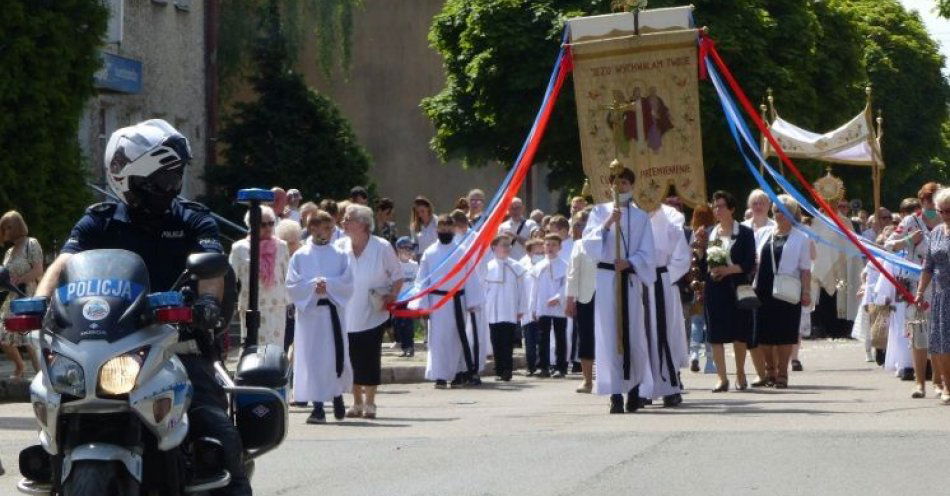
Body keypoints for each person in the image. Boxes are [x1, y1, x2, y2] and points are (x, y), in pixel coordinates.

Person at [34, 119, 250, 495]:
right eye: (164, 180)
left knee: (218, 434)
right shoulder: (98, 221)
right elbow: (64, 263)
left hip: (179, 343)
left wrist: (208, 303)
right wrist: (37, 303)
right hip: (106, 345)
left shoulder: (192, 219)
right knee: (54, 410)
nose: (173, 187)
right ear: (131, 181)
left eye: (176, 177)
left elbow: (211, 265)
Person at [582, 164, 656, 414]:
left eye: (625, 182)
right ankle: (614, 392)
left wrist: (631, 262)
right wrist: (607, 223)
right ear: (610, 184)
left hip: (629, 277)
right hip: (606, 278)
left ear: (631, 186)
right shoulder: (600, 211)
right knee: (609, 333)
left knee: (632, 332)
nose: (620, 186)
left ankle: (634, 389)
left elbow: (648, 252)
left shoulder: (640, 216)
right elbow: (588, 244)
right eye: (616, 181)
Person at [286, 211, 353, 424]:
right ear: (313, 228)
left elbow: (348, 282)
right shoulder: (300, 255)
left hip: (333, 312)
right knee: (313, 359)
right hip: (311, 315)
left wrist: (330, 285)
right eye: (325, 228)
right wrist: (313, 286)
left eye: (331, 229)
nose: (329, 233)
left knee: (334, 357)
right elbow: (292, 285)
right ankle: (317, 407)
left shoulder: (340, 254)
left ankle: (337, 396)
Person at [338, 204, 403, 419]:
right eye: (345, 219)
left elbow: (397, 275)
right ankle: (356, 402)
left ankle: (371, 402)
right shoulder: (339, 245)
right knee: (351, 359)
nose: (344, 222)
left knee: (370, 357)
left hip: (374, 312)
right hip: (346, 313)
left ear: (363, 224)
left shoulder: (381, 246)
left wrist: (392, 296)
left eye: (349, 219)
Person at [415, 214, 485, 388]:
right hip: (438, 302)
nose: (445, 231)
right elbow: (422, 280)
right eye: (442, 228)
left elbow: (470, 277)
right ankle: (439, 375)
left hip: (457, 300)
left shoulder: (461, 251)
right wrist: (422, 304)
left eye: (448, 228)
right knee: (438, 339)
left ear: (454, 229)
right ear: (437, 230)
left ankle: (457, 373)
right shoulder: (430, 253)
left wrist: (473, 301)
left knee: (456, 338)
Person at [698, 190, 756, 392]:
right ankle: (721, 378)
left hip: (737, 287)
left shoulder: (745, 233)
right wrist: (700, 250)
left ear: (731, 209)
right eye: (715, 206)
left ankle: (740, 372)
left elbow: (749, 262)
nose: (717, 210)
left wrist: (728, 270)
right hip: (715, 288)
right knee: (715, 334)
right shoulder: (711, 232)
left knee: (739, 333)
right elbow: (706, 261)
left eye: (721, 206)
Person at [753, 195, 812, 388]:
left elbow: (805, 268)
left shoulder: (801, 237)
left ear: (793, 214)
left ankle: (783, 372)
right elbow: (755, 261)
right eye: (777, 210)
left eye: (785, 211)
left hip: (788, 288)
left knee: (785, 332)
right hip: (763, 287)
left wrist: (806, 292)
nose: (780, 214)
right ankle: (770, 370)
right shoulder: (763, 233)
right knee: (764, 333)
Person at [888, 184, 940, 391]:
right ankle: (919, 383)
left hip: (941, 285)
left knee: (940, 334)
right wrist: (909, 239)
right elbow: (890, 244)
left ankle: (938, 381)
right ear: (921, 201)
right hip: (915, 285)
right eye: (926, 200)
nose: (930, 204)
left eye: (933, 200)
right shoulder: (911, 220)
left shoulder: (945, 221)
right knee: (918, 333)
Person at [640, 203, 691, 406]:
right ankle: (642, 387)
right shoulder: (629, 213)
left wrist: (663, 276)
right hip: (637, 281)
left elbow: (680, 256)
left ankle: (669, 384)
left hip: (662, 281)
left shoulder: (671, 216)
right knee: (640, 334)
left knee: (664, 333)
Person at [230, 206, 290, 348]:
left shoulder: (282, 246)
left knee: (275, 350)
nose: (268, 227)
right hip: (251, 306)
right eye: (263, 224)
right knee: (252, 349)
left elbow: (288, 275)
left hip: (276, 306)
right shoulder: (239, 248)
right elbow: (231, 277)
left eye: (271, 223)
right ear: (252, 225)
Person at [915, 186, 950, 404]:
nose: (946, 215)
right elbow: (928, 266)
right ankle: (947, 385)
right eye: (942, 211)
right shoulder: (936, 232)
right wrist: (920, 292)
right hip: (940, 295)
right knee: (941, 343)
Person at [0, 211, 43, 379]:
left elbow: (39, 270)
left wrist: (20, 280)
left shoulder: (31, 244)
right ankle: (20, 365)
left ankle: (40, 374)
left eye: (9, 227)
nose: (6, 231)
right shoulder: (9, 252)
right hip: (11, 298)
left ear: (18, 225)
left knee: (29, 337)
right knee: (4, 335)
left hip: (28, 295)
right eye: (3, 228)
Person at [741, 189, 775, 386]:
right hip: (746, 283)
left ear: (769, 206)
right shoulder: (742, 228)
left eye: (762, 202)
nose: (758, 206)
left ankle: (775, 369)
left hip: (768, 283)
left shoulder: (774, 227)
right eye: (754, 203)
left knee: (768, 327)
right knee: (750, 329)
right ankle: (760, 371)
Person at [484, 235, 526, 381]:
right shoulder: (487, 267)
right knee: (496, 340)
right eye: (503, 245)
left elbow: (522, 290)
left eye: (508, 245)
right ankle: (499, 369)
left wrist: (521, 308)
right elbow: (484, 290)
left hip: (509, 308)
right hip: (493, 310)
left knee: (508, 341)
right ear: (494, 247)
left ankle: (507, 370)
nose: (507, 248)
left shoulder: (516, 267)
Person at [530, 234, 569, 378]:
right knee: (543, 337)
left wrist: (558, 297)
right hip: (543, 306)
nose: (550, 247)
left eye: (553, 245)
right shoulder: (538, 266)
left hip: (559, 306)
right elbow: (534, 289)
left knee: (560, 337)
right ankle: (543, 366)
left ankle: (560, 367)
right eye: (548, 244)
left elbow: (567, 285)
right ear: (544, 246)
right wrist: (533, 308)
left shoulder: (565, 265)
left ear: (559, 247)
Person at [566, 209, 596, 393]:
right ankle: (587, 379)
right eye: (577, 225)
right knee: (585, 337)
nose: (580, 228)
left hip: (607, 295)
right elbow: (572, 273)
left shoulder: (608, 242)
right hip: (586, 296)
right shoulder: (579, 245)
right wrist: (570, 299)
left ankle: (612, 376)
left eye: (583, 224)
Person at [687, 205, 716, 374]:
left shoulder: (692, 233)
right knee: (710, 324)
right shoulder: (716, 233)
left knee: (696, 323)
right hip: (711, 282)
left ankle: (694, 354)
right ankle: (710, 361)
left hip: (695, 283)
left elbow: (691, 259)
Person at [276, 218, 304, 352]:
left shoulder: (304, 255)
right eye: (286, 242)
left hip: (299, 306)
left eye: (293, 242)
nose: (290, 246)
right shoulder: (278, 255)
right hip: (283, 307)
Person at [520, 238, 545, 376]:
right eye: (536, 249)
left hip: (542, 307)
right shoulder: (521, 265)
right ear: (529, 251)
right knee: (529, 340)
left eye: (541, 249)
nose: (540, 251)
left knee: (542, 339)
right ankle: (531, 366)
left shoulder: (547, 264)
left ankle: (542, 365)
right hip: (527, 309)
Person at [393, 236, 419, 357]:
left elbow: (418, 281)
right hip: (398, 299)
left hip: (409, 299)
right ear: (398, 249)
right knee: (398, 323)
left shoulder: (414, 265)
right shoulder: (395, 265)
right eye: (406, 248)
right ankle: (404, 346)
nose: (408, 251)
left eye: (410, 249)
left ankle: (410, 346)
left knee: (407, 323)